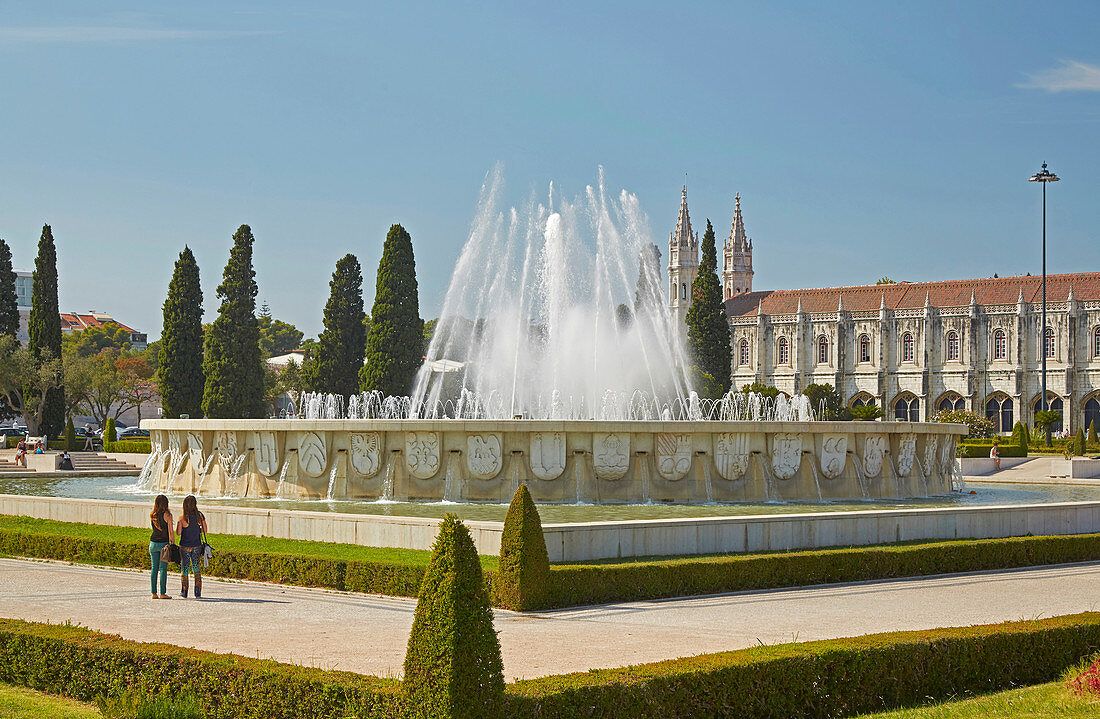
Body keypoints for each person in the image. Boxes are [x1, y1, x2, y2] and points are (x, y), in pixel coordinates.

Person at [176, 495, 208, 599]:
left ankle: (184, 592)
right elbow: (205, 530)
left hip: (184, 545)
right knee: (196, 568)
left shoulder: (182, 518)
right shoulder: (200, 516)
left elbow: (178, 533)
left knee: (184, 568)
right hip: (196, 545)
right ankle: (197, 592)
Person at [149, 495, 176, 600]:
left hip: (152, 544)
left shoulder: (152, 514)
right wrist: (172, 543)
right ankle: (163, 593)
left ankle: (153, 593)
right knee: (163, 569)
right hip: (163, 545)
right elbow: (170, 531)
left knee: (154, 568)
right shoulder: (168, 515)